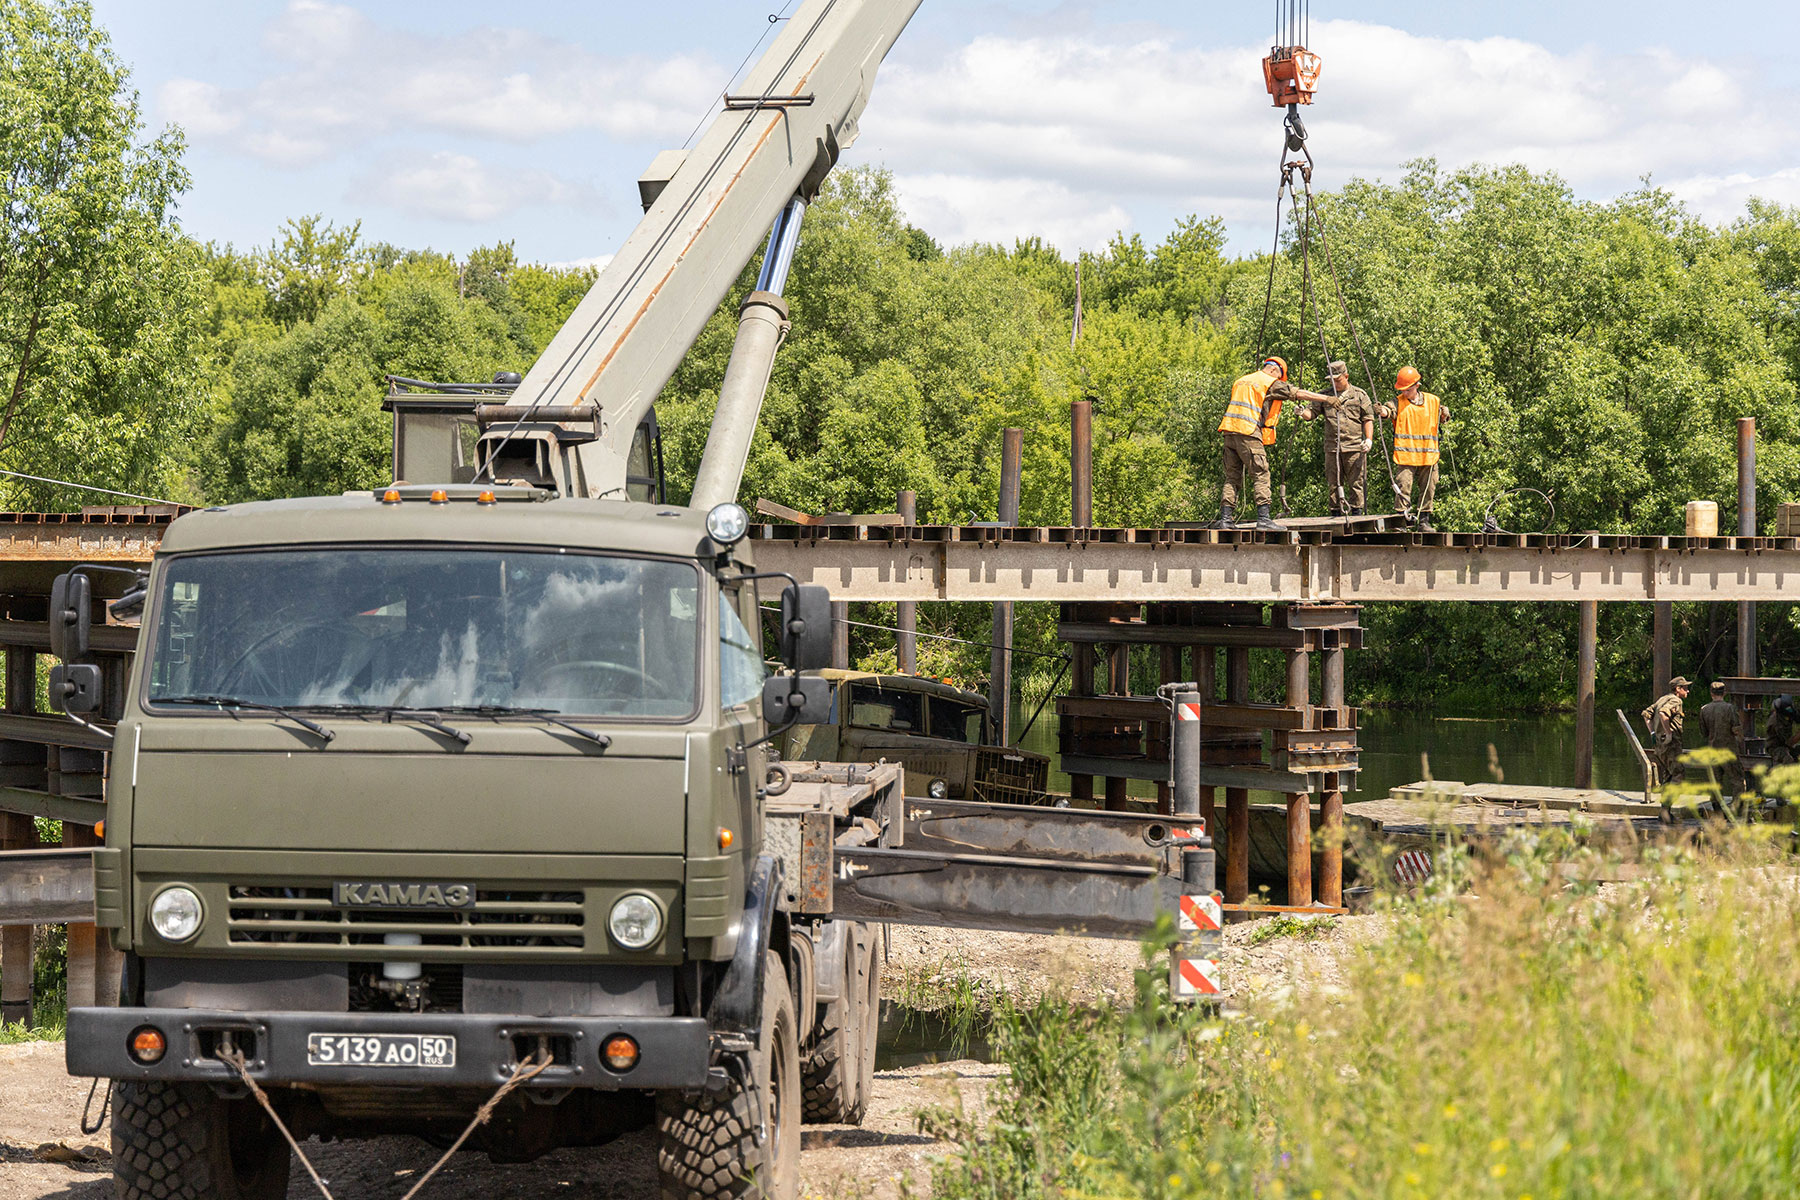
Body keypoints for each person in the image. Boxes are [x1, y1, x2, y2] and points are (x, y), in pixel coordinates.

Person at [1215, 356, 1333, 532]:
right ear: (1273, 370)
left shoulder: (1241, 380)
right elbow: (1297, 393)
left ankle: (1225, 519)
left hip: (1229, 432)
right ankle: (1263, 519)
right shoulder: (1268, 382)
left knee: (1232, 478)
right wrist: (1326, 399)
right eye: (1278, 376)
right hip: (1248, 432)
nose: (1278, 380)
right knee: (1261, 474)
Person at [1302, 360, 1391, 516]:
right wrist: (1301, 412)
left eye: (1337, 379)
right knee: (1333, 483)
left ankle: (1357, 513)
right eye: (1332, 380)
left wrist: (1369, 439)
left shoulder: (1359, 395)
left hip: (1354, 446)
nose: (1335, 383)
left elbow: (1368, 419)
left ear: (1346, 376)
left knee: (1356, 482)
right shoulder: (1324, 396)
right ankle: (1336, 513)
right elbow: (1311, 414)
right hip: (1332, 447)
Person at [1389, 365, 1449, 530]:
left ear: (1417, 385)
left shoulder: (1432, 401)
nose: (1404, 393)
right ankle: (1402, 521)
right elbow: (1390, 411)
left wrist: (1445, 414)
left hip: (1428, 456)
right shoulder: (1398, 402)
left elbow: (1442, 417)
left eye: (1407, 390)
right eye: (1402, 390)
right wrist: (1384, 412)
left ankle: (1424, 520)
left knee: (1429, 488)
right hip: (1406, 457)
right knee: (1403, 486)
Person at [1698, 680, 1745, 805]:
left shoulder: (1704, 709)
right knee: (1737, 779)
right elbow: (1736, 729)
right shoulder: (1729, 708)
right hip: (1729, 750)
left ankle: (1717, 810)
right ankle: (1736, 807)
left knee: (1715, 782)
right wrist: (1741, 745)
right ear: (1724, 692)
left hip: (1713, 750)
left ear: (1711, 693)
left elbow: (1704, 732)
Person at [1643, 675, 1690, 785]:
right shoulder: (1676, 700)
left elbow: (1646, 714)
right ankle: (1667, 801)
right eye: (1685, 688)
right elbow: (1663, 713)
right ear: (1678, 689)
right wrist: (1669, 733)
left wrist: (1653, 733)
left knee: (1668, 774)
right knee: (1678, 773)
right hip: (1671, 744)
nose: (1688, 691)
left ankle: (1665, 800)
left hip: (1659, 744)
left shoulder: (1662, 699)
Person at [1766, 694, 1799, 766]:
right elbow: (1789, 742)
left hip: (1787, 746)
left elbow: (1796, 716)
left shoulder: (1787, 713)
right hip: (1776, 747)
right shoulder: (1776, 722)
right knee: (1788, 759)